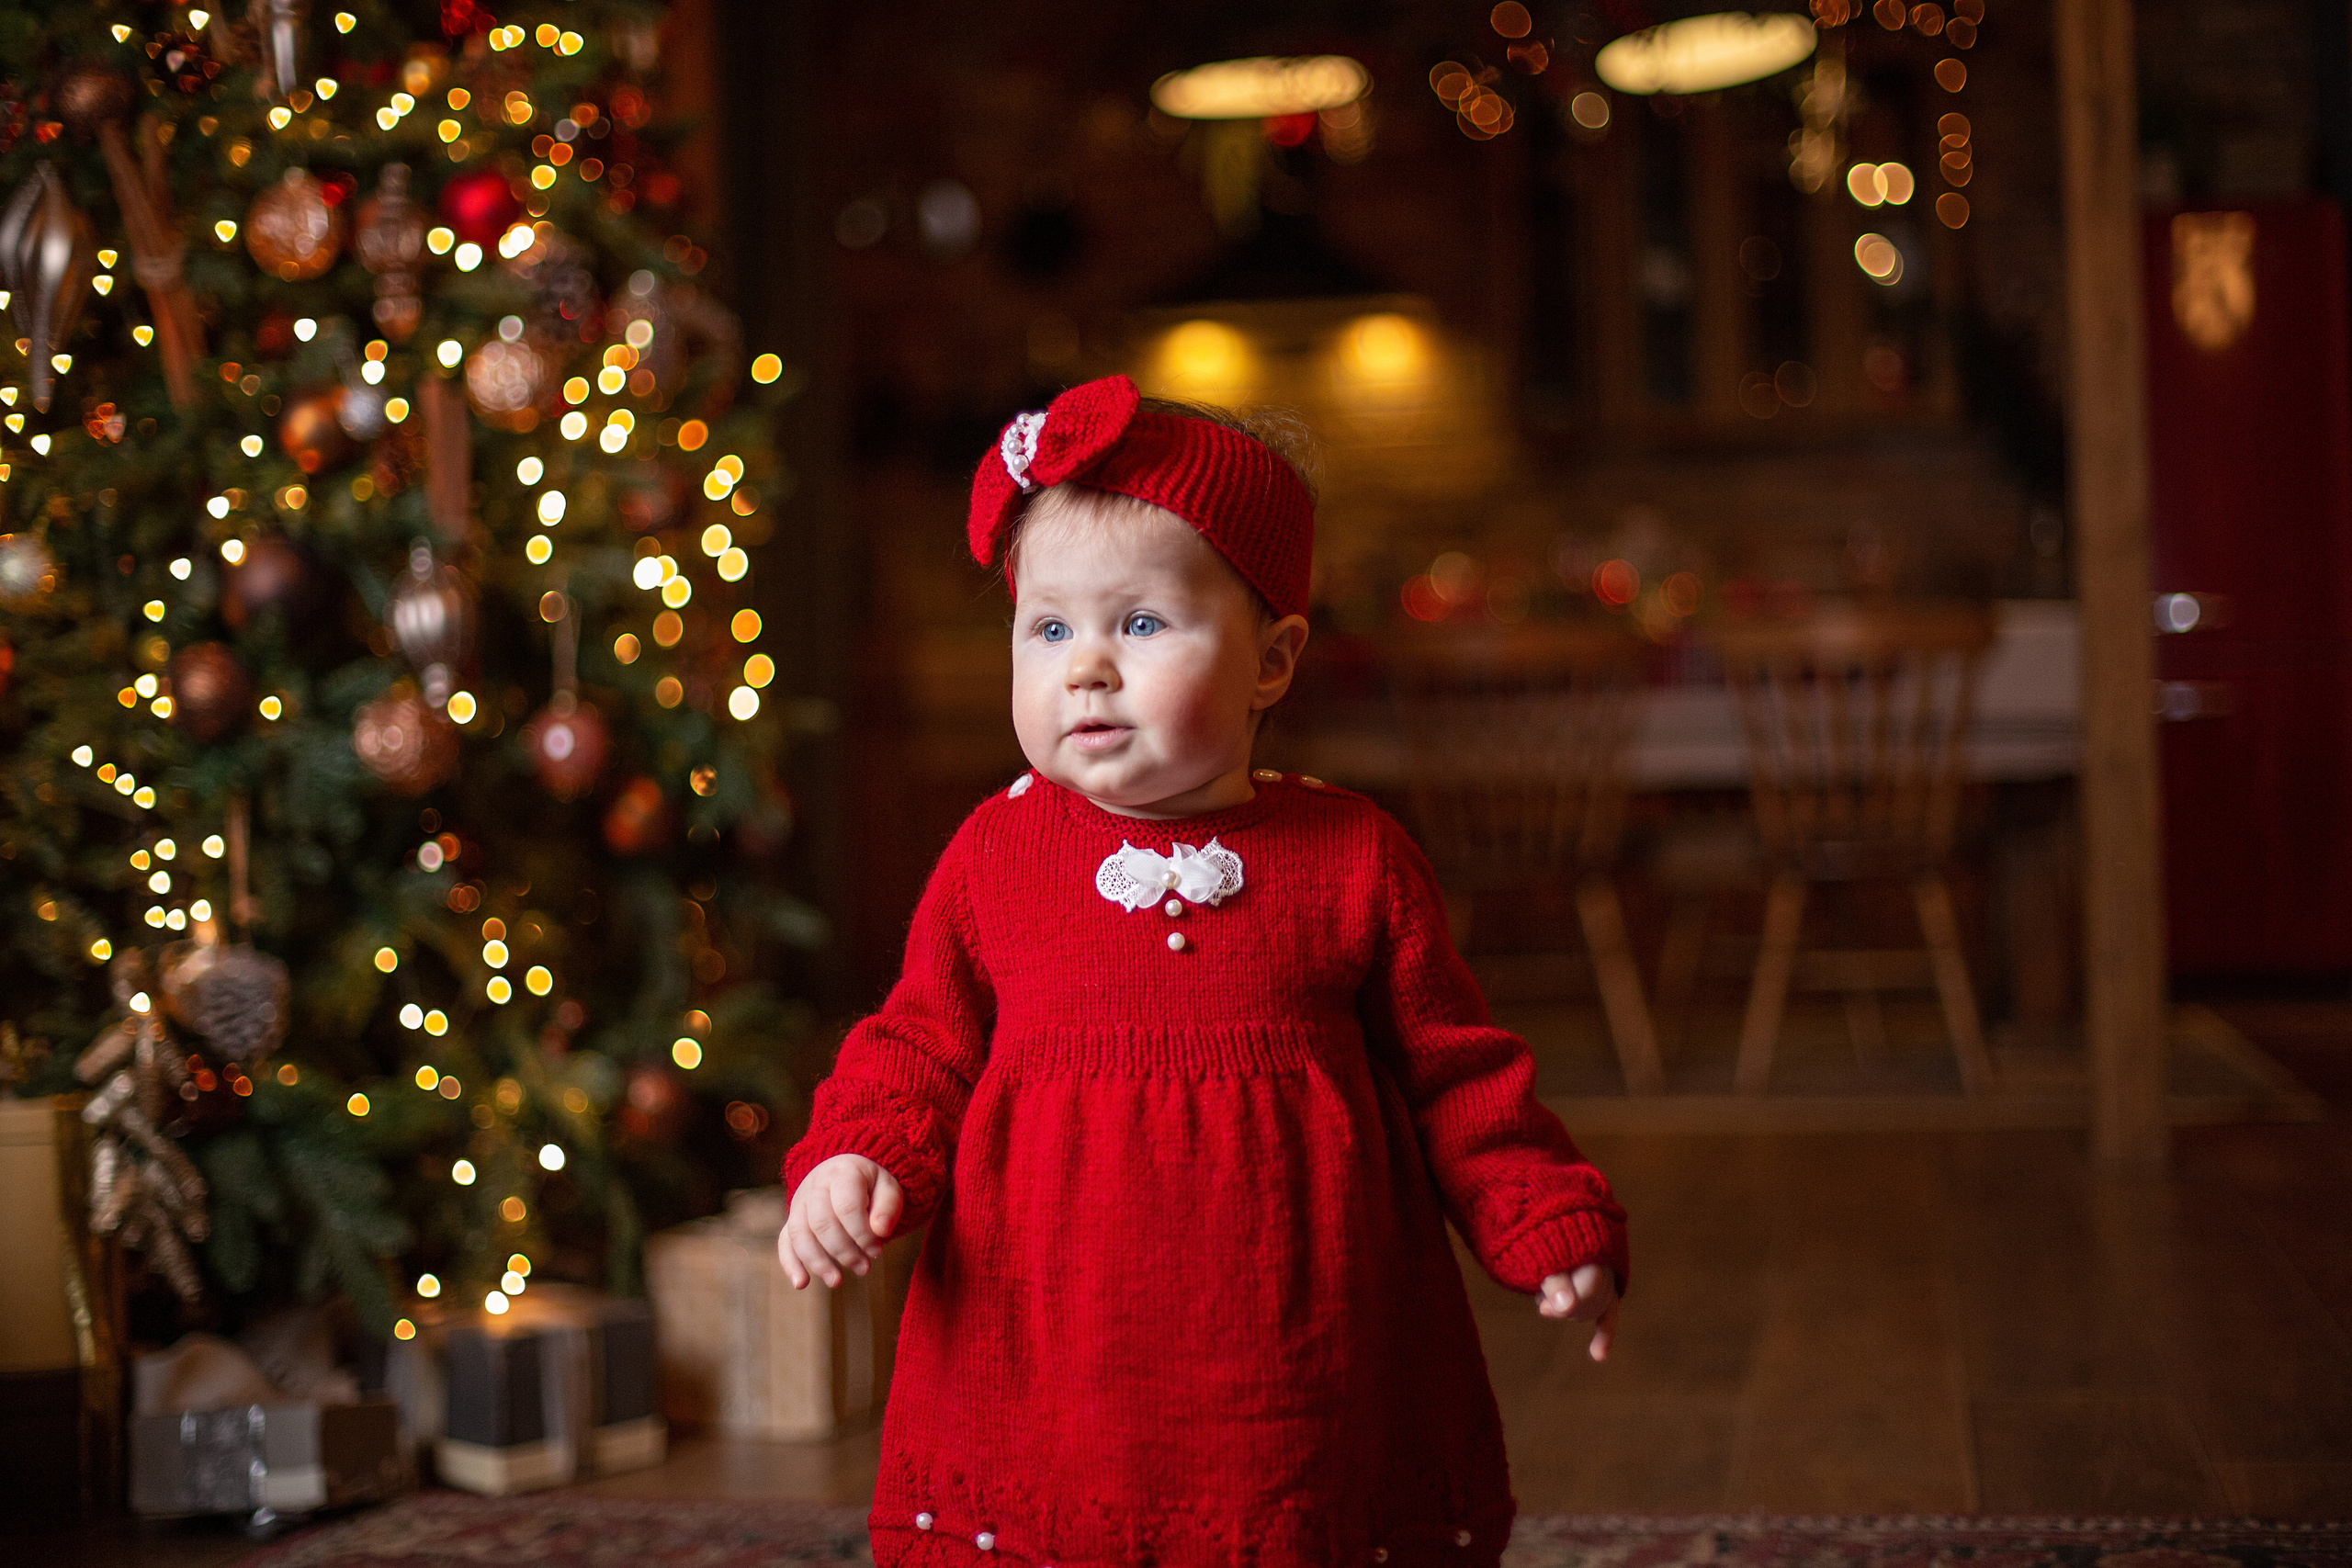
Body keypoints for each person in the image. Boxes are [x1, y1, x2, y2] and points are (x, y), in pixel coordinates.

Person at [779, 374, 1627, 1568]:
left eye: (1141, 625)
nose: (1086, 668)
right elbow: (918, 1041)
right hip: (1051, 1342)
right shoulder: (996, 856)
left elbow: (1457, 1073)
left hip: (1295, 1345)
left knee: (1292, 1525)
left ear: (1271, 661)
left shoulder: (1351, 859)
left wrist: (1541, 1213)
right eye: (1049, 627)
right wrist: (859, 1155)